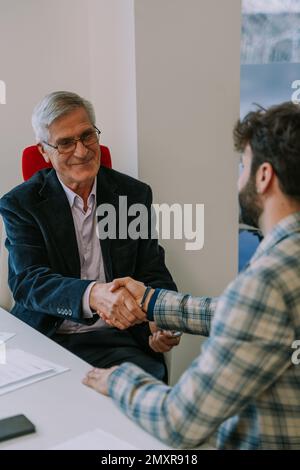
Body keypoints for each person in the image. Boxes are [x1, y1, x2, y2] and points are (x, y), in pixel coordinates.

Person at [83, 101, 300, 449]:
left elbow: (178, 422)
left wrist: (119, 379)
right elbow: (240, 315)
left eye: (242, 165)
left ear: (264, 176)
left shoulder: (268, 281)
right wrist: (151, 300)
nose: (239, 177)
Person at [0, 91, 179, 381]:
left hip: (117, 340)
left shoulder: (132, 196)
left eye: (87, 136)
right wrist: (92, 294)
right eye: (65, 143)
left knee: (143, 399)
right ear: (44, 151)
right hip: (47, 337)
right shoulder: (21, 204)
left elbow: (152, 270)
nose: (82, 151)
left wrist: (161, 319)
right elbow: (28, 282)